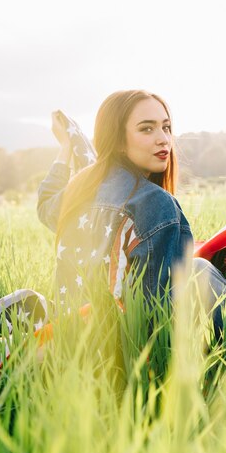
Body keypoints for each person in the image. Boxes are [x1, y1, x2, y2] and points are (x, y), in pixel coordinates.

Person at [37, 90, 193, 310]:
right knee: (201, 268)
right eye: (147, 129)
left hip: (72, 335)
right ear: (118, 140)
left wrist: (65, 149)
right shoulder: (157, 203)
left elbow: (45, 206)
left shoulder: (80, 188)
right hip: (125, 341)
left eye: (166, 127)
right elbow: (158, 311)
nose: (164, 139)